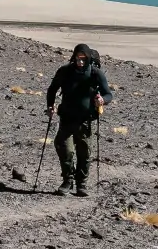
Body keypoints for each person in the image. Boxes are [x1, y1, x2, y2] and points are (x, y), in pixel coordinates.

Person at [46, 43, 112, 197]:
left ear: (88, 59)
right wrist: (50, 106)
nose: (80, 62)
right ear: (74, 57)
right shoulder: (65, 72)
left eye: (83, 59)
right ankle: (68, 180)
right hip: (67, 118)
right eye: (78, 58)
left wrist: (102, 100)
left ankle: (81, 184)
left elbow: (108, 94)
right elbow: (52, 88)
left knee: (84, 152)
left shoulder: (95, 73)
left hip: (85, 120)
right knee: (64, 148)